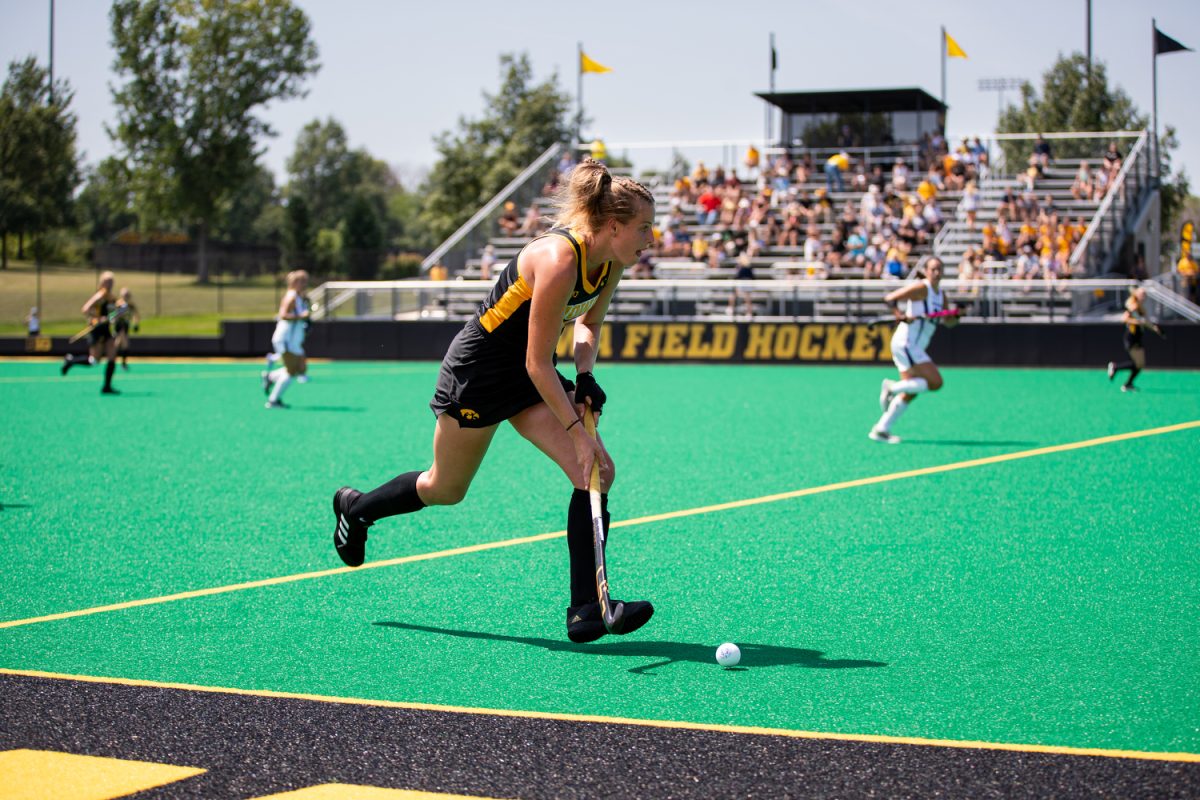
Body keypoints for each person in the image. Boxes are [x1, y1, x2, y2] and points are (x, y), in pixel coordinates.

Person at [330, 159, 656, 644]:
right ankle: (357, 509)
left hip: (528, 373)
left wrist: (585, 376)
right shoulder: (559, 260)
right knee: (445, 488)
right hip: (479, 374)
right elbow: (537, 363)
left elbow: (586, 325)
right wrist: (575, 432)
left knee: (597, 472)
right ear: (613, 226)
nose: (650, 239)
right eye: (644, 228)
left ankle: (587, 608)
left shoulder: (609, 263)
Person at [869, 258, 955, 443]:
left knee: (912, 390)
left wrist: (956, 315)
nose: (937, 272)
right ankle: (891, 387)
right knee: (936, 382)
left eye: (940, 268)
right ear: (925, 271)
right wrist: (899, 315)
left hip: (915, 346)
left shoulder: (942, 296)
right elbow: (890, 298)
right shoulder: (921, 288)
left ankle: (881, 429)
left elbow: (948, 322)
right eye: (933, 269)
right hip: (906, 342)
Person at [60, 270, 121, 394]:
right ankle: (71, 361)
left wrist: (117, 314)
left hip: (106, 330)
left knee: (112, 356)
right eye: (107, 282)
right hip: (97, 330)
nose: (109, 284)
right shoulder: (99, 295)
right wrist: (97, 319)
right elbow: (85, 309)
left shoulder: (112, 297)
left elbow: (114, 312)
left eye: (111, 282)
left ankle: (107, 386)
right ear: (102, 283)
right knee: (94, 361)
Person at [262, 270, 311, 408]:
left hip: (293, 340)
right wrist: (301, 317)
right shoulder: (291, 297)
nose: (305, 284)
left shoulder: (299, 297)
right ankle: (273, 401)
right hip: (285, 339)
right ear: (294, 282)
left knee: (300, 368)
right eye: (302, 281)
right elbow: (283, 315)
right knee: (291, 371)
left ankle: (270, 377)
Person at [1107, 286, 1160, 392]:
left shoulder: (1141, 307)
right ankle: (1115, 367)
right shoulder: (1133, 306)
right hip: (1131, 337)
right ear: (1136, 294)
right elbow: (1124, 319)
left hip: (1137, 337)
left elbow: (1145, 322)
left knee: (1139, 364)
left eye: (1144, 294)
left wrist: (1154, 328)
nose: (1143, 296)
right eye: (1141, 294)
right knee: (1138, 363)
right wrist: (1138, 322)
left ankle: (1128, 383)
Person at [112, 288, 141, 370]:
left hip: (126, 325)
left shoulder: (131, 305)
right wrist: (117, 316)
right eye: (125, 295)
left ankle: (112, 359)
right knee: (125, 343)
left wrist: (136, 324)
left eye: (128, 295)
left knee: (118, 343)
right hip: (120, 325)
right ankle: (123, 363)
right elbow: (113, 315)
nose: (127, 297)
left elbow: (136, 315)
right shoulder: (119, 304)